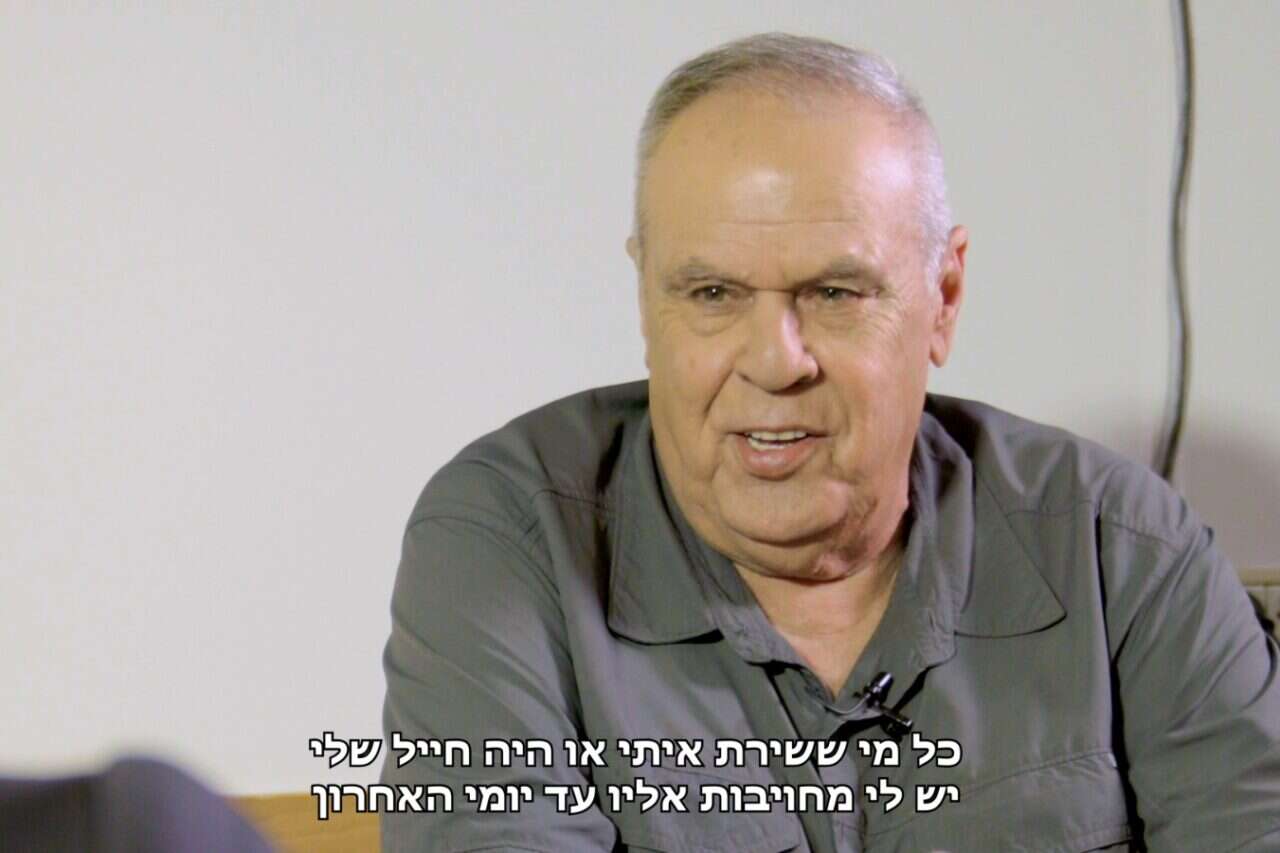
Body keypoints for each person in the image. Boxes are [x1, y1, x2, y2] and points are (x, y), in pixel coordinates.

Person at [379, 32, 1280, 852]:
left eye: (836, 294)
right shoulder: (510, 542)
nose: (775, 363)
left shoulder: (1124, 551)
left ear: (944, 298)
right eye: (712, 294)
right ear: (646, 299)